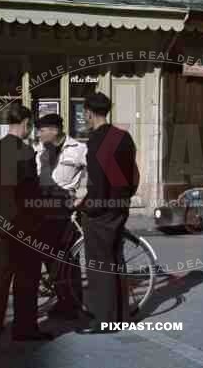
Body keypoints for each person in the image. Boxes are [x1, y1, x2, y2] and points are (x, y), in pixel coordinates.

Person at [0, 104, 53, 341]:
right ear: (25, 123)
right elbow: (28, 191)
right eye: (29, 124)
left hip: (0, 222)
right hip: (23, 223)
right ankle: (24, 327)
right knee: (27, 276)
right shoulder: (25, 151)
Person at [77, 92, 139, 334]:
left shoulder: (96, 140)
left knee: (99, 265)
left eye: (85, 112)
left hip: (101, 211)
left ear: (90, 112)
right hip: (120, 206)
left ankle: (103, 320)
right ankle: (120, 316)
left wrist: (88, 207)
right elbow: (133, 175)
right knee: (116, 260)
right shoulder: (124, 137)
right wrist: (125, 197)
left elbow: (98, 182)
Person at [33, 113, 87, 319]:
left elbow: (96, 173)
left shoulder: (78, 149)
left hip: (66, 212)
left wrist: (82, 196)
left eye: (42, 130)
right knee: (50, 259)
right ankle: (63, 300)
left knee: (69, 260)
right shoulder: (39, 151)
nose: (38, 134)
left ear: (54, 130)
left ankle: (72, 304)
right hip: (44, 211)